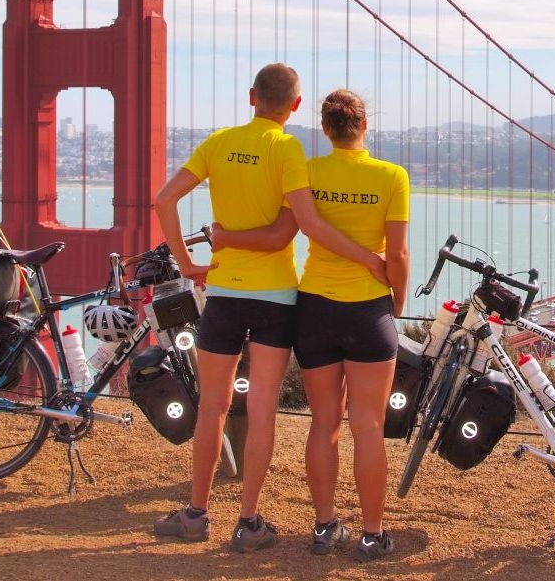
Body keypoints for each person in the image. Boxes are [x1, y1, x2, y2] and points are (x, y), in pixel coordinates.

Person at [152, 65, 385, 553]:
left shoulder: (218, 142)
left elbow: (164, 199)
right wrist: (371, 260)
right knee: (261, 413)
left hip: (223, 294)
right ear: (296, 107)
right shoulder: (287, 150)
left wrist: (188, 264)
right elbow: (291, 231)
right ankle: (249, 521)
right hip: (277, 296)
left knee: (211, 408)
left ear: (251, 97)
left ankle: (195, 514)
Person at [213, 87, 409, 563]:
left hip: (314, 308)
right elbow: (397, 255)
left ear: (325, 128)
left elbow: (287, 230)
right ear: (365, 126)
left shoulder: (308, 172)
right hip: (368, 312)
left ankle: (324, 527)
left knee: (324, 423)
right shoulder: (392, 176)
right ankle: (371, 535)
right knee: (368, 426)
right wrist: (396, 302)